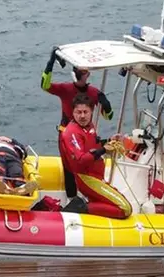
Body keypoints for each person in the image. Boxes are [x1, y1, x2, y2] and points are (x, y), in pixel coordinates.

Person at [41, 46, 114, 200]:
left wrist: (106, 105)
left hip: (87, 135)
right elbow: (45, 85)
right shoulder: (65, 89)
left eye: (82, 71)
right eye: (77, 69)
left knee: (91, 164)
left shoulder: (94, 93)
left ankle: (92, 197)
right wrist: (50, 63)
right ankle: (72, 200)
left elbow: (109, 117)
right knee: (69, 168)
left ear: (87, 74)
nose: (78, 73)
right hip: (67, 134)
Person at [60, 93, 132, 219]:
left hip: (97, 177)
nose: (82, 116)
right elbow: (81, 159)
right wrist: (104, 149)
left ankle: (92, 207)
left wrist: (109, 141)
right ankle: (80, 207)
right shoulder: (71, 132)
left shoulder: (89, 126)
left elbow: (92, 146)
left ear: (91, 111)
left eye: (85, 112)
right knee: (125, 208)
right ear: (73, 112)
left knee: (119, 202)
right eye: (78, 112)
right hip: (87, 179)